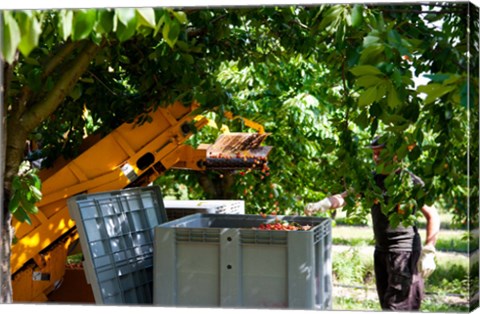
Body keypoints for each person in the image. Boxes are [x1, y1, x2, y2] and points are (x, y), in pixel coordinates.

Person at [304, 136, 441, 311]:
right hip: (381, 251)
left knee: (398, 306)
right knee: (386, 304)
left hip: (404, 253)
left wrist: (429, 250)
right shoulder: (372, 180)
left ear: (394, 155)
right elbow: (345, 197)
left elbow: (433, 215)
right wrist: (321, 204)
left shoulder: (410, 182)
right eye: (374, 154)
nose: (375, 158)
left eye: (380, 153)